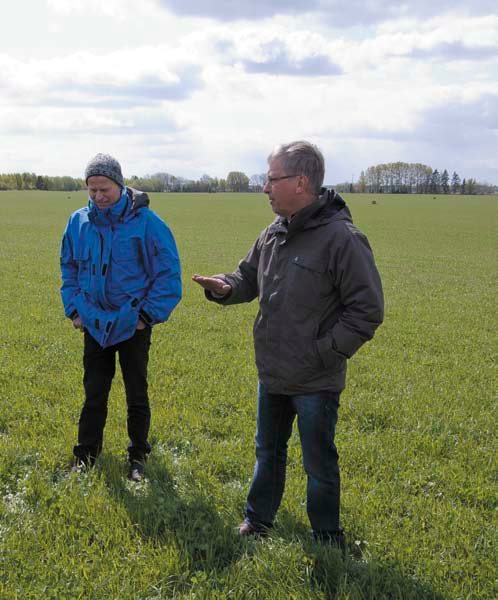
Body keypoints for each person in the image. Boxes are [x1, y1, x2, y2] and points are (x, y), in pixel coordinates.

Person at [193, 141, 383, 546]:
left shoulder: (342, 239)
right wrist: (226, 287)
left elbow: (366, 310)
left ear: (300, 182)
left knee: (319, 465)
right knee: (268, 453)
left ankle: (327, 536)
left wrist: (322, 353)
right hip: (273, 371)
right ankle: (258, 521)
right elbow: (248, 278)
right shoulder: (273, 234)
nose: (264, 188)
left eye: (271, 179)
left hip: (316, 378)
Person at [60, 153, 182, 481]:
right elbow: (68, 266)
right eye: (92, 190)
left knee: (136, 391)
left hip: (132, 325)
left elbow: (169, 274)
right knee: (94, 392)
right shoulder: (78, 222)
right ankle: (85, 455)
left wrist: (145, 317)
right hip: (94, 324)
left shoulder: (148, 224)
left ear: (120, 185)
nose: (98, 197)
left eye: (105, 189)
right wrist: (74, 309)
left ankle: (138, 457)